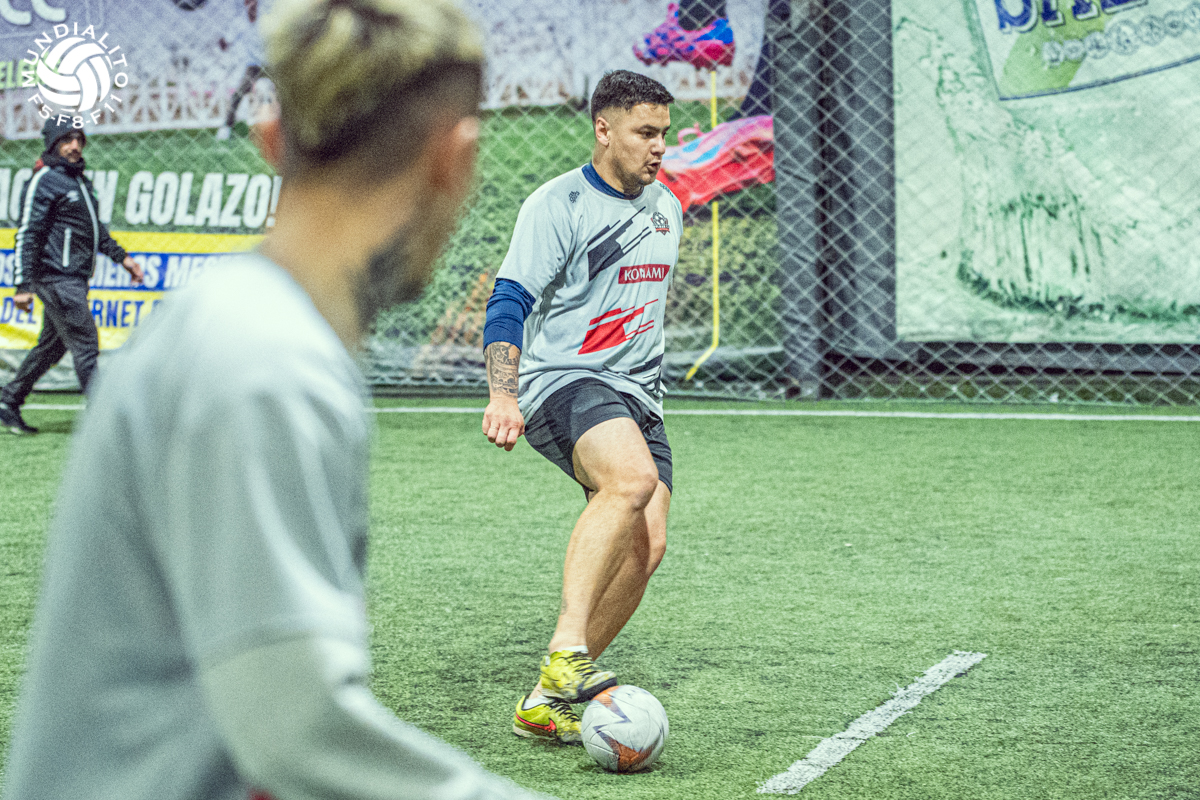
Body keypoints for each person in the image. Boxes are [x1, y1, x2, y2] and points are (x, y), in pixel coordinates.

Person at [1, 1, 549, 798]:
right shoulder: (264, 360)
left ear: (269, 140)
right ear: (454, 159)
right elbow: (294, 730)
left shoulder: (250, 329)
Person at [481, 69, 682, 745]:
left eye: (664, 133)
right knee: (631, 480)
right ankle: (569, 651)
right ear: (603, 129)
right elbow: (510, 300)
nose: (659, 146)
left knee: (647, 544)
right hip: (562, 381)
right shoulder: (558, 204)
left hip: (638, 395)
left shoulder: (666, 208)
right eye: (645, 132)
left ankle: (546, 701)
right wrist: (503, 392)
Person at [0, 119, 144, 435]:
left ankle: (8, 401)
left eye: (79, 139)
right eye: (67, 140)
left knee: (52, 346)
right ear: (53, 144)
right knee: (85, 342)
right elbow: (28, 233)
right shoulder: (45, 180)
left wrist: (124, 259)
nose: (74, 146)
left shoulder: (78, 181)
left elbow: (94, 231)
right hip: (56, 277)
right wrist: (23, 285)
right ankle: (106, 421)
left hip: (73, 278)